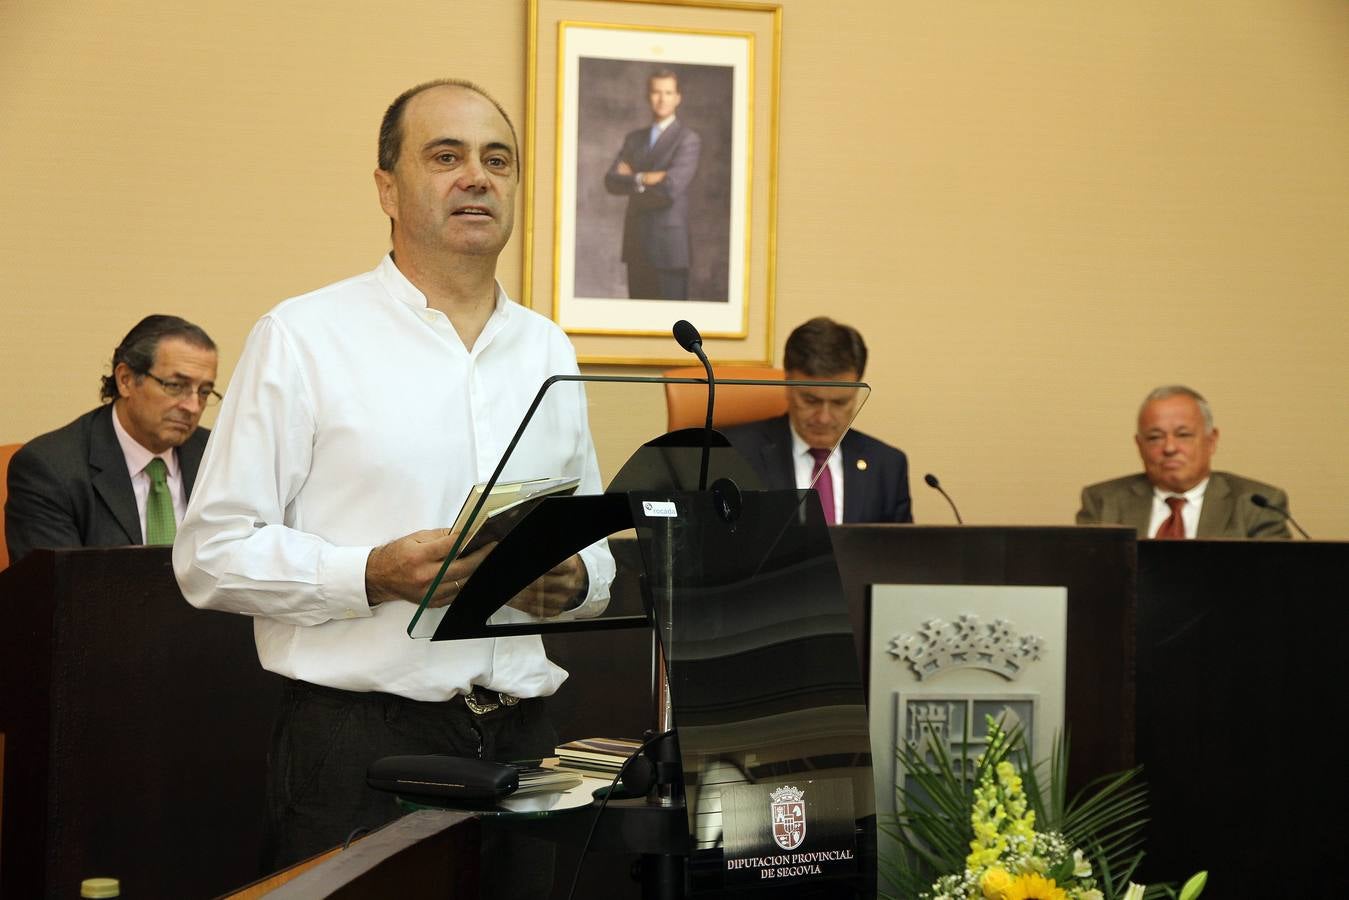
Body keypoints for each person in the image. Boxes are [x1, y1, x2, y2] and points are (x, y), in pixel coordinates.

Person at [171, 79, 614, 880]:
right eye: (446, 156)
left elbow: (596, 544)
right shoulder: (303, 337)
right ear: (386, 187)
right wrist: (368, 575)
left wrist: (575, 579)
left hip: (529, 739)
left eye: (497, 160)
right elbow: (209, 553)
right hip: (362, 745)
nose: (476, 177)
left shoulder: (549, 349)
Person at [5, 315, 218, 564]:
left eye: (204, 392)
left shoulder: (217, 456)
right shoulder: (49, 469)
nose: (193, 406)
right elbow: (57, 593)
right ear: (125, 380)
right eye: (175, 386)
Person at [722, 317, 913, 523]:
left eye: (840, 402)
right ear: (788, 384)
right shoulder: (734, 454)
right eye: (810, 400)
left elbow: (901, 553)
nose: (824, 418)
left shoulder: (887, 466)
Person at [1077, 385, 1292, 539]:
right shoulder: (1103, 502)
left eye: (1183, 435)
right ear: (1139, 445)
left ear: (1211, 440)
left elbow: (1276, 587)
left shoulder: (1255, 505)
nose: (1170, 448)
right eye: (1155, 437)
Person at [603, 68, 702, 300]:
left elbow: (670, 189)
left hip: (670, 249)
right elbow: (611, 181)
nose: (662, 98)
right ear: (648, 96)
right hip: (636, 245)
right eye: (656, 92)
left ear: (678, 97)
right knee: (637, 326)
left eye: (668, 92)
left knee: (671, 326)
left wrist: (632, 177)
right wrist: (644, 178)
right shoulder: (634, 139)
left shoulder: (688, 139)